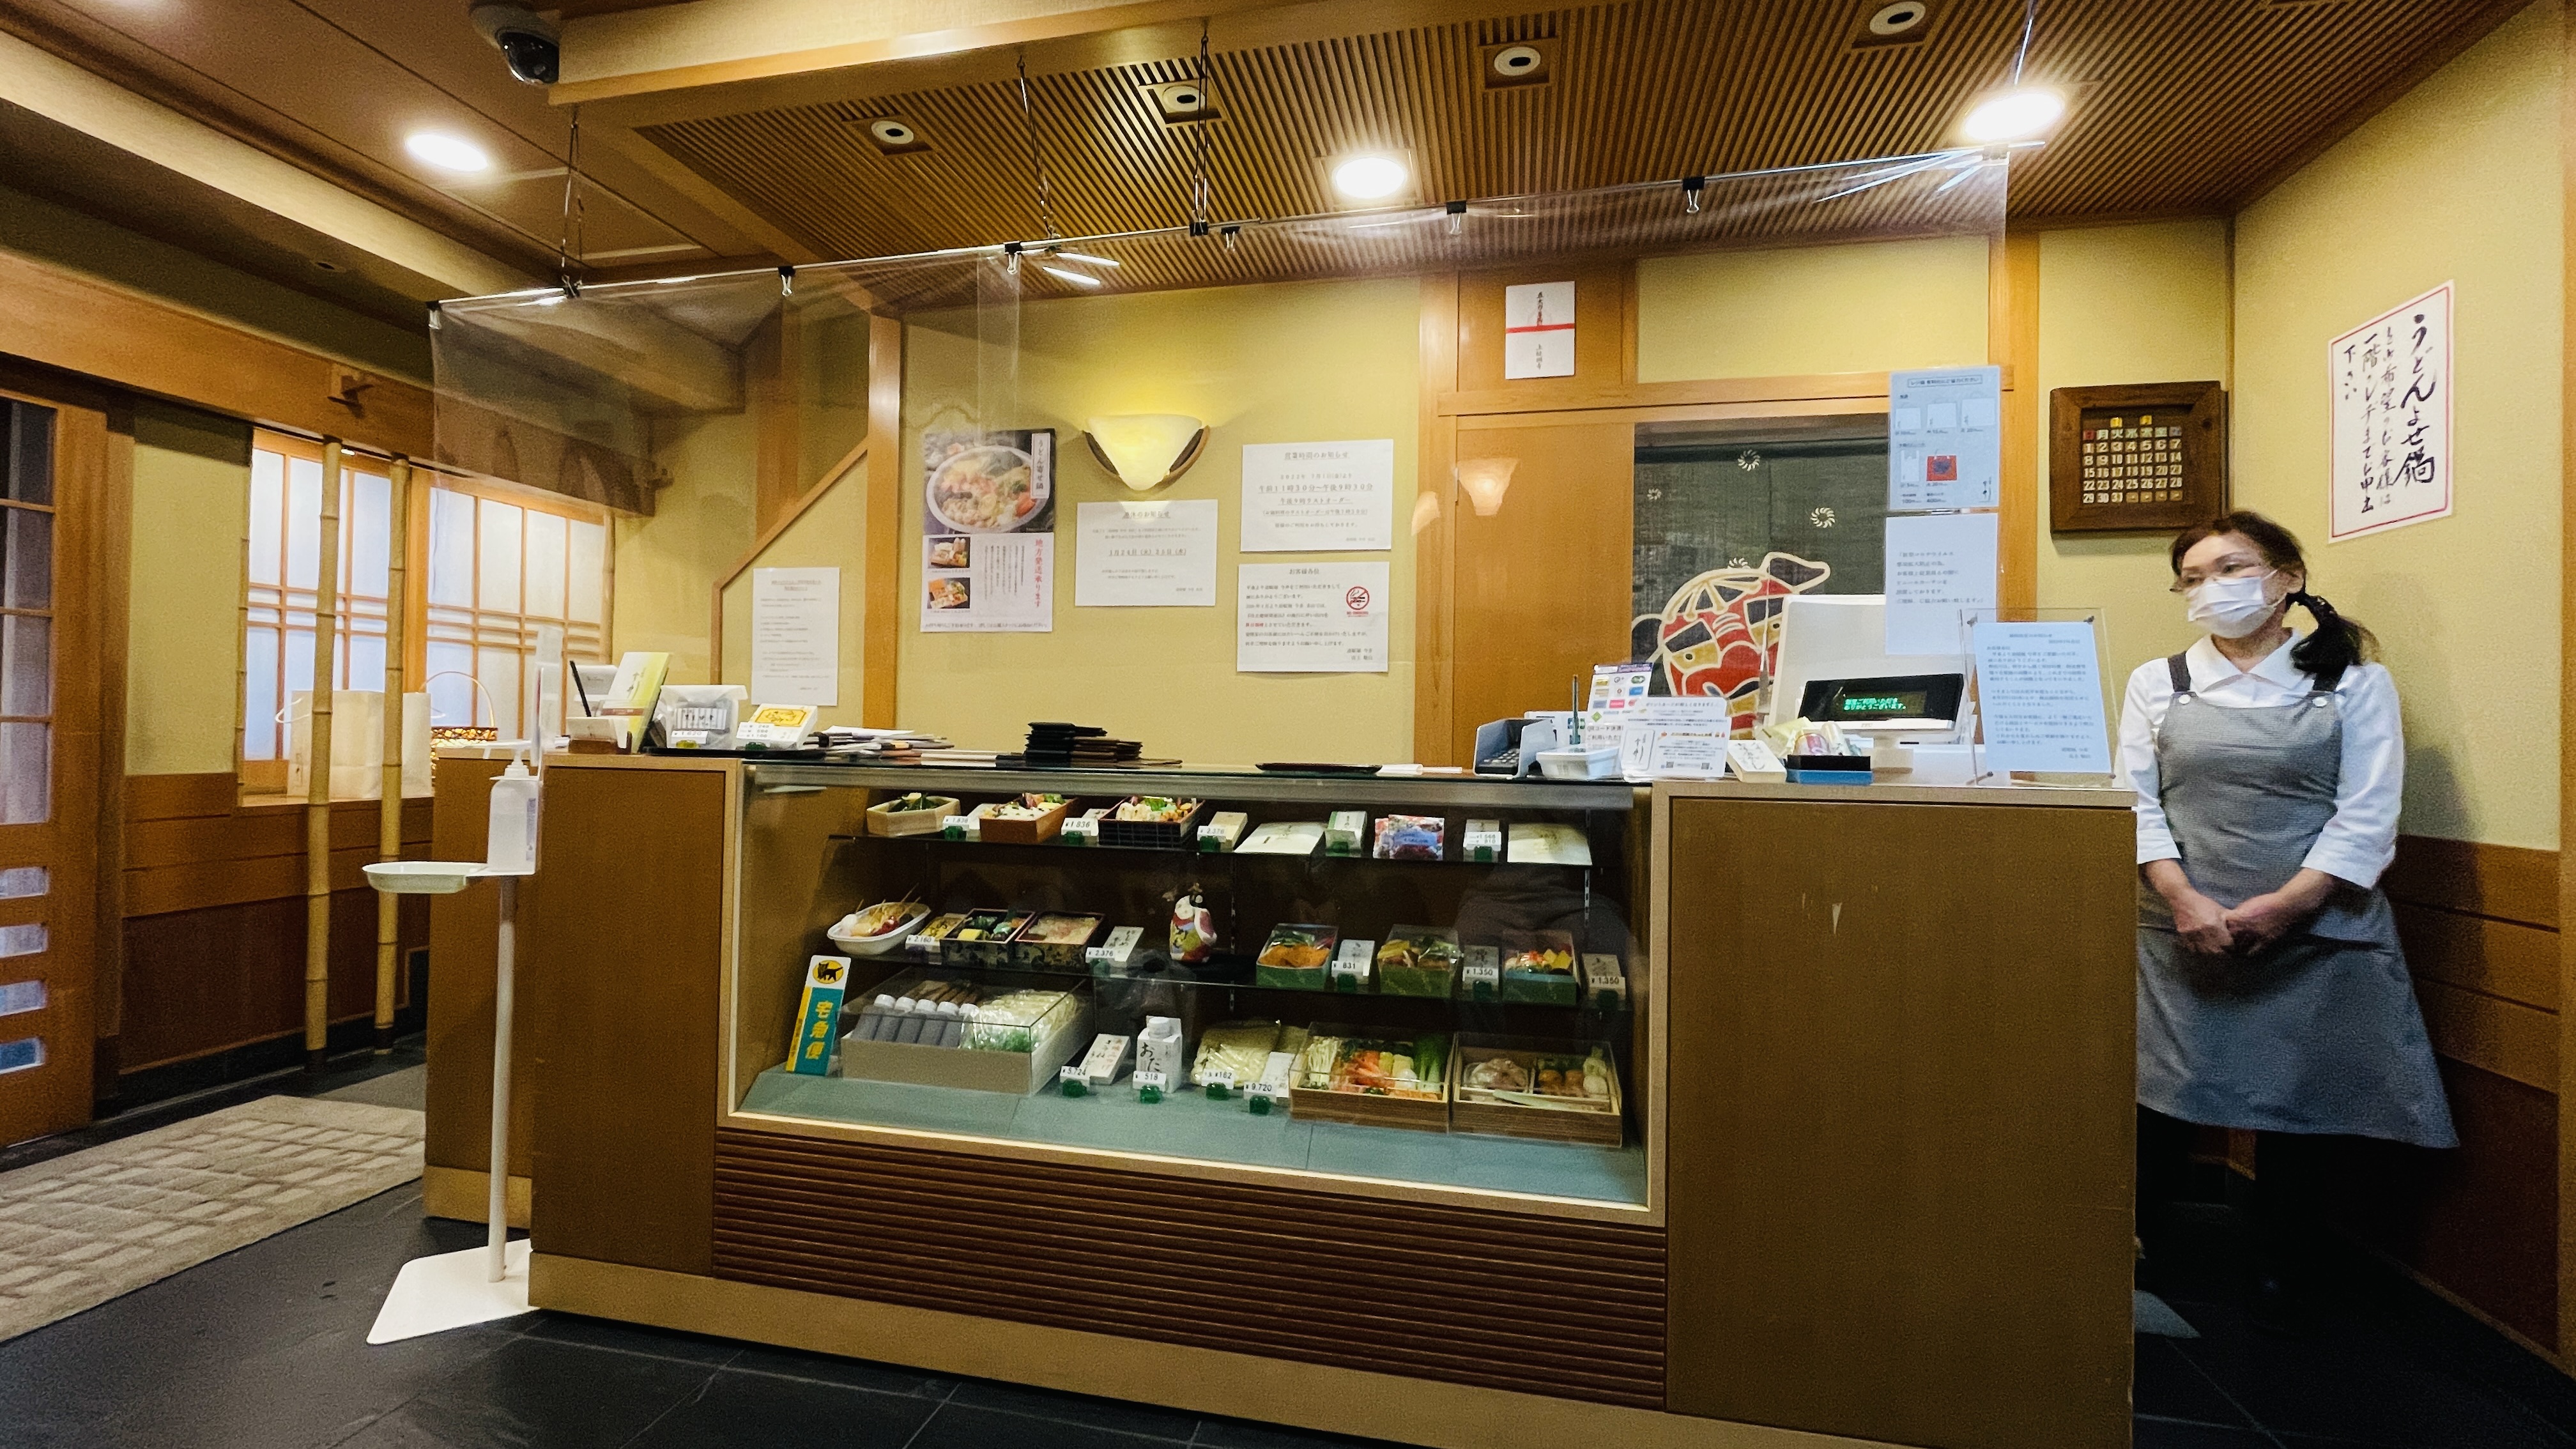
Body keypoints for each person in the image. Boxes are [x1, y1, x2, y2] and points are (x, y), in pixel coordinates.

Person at [2119, 510, 2454, 1330]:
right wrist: (2184, 898)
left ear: (2288, 578)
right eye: (2193, 578)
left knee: (2301, 1098)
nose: (2212, 589)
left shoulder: (2355, 683)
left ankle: (2282, 1263)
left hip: (2317, 925)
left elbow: (2368, 811)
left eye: (2231, 569)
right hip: (2181, 921)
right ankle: (2140, 1250)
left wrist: (2290, 904)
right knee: (2162, 1092)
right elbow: (2134, 803)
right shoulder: (2158, 681)